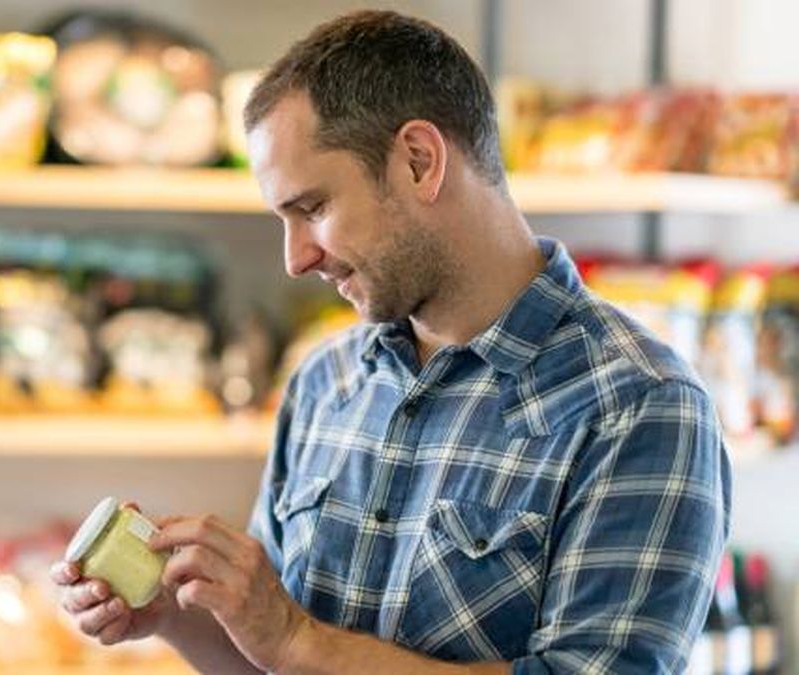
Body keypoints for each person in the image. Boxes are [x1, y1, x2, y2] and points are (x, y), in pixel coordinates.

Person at [51, 10, 730, 674]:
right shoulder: (327, 380)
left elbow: (296, 648)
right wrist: (177, 613)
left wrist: (295, 638)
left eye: (313, 209)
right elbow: (274, 662)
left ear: (417, 160)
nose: (295, 258)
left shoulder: (641, 405)